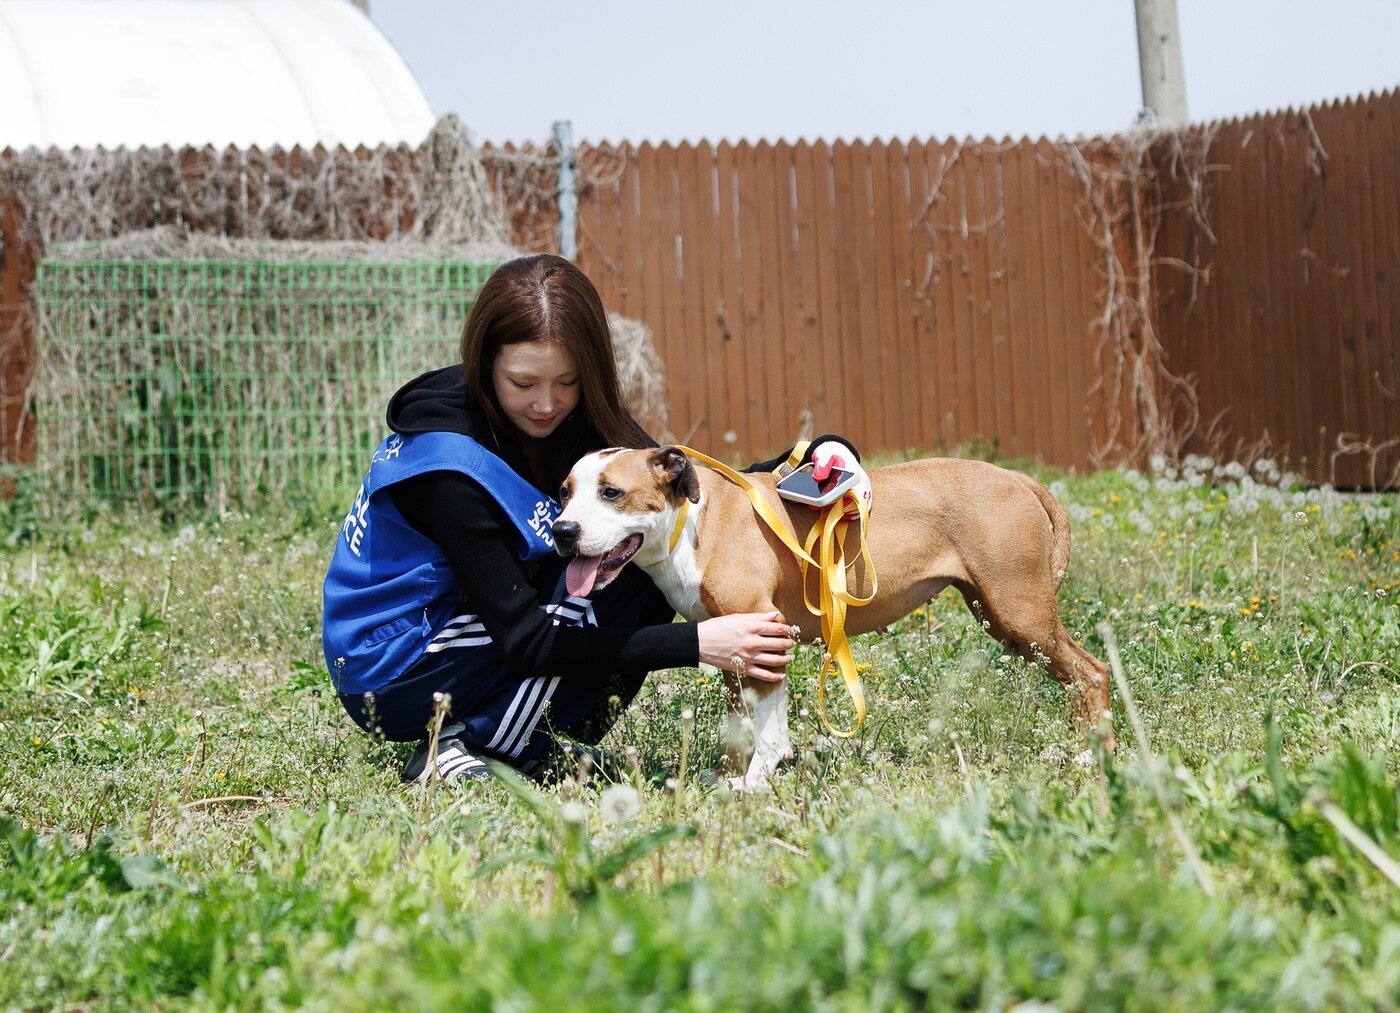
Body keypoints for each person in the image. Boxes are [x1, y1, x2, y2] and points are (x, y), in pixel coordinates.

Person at [322, 254, 868, 784]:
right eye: (523, 383)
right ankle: (469, 747)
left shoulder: (582, 420)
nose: (546, 404)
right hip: (393, 660)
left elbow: (679, 493)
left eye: (567, 381)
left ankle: (522, 738)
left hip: (467, 626)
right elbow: (527, 642)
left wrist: (810, 455)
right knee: (599, 598)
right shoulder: (449, 467)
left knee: (648, 545)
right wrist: (699, 643)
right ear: (485, 363)